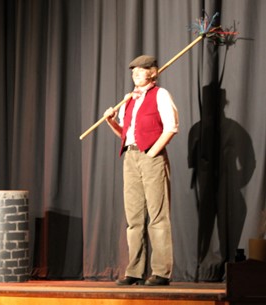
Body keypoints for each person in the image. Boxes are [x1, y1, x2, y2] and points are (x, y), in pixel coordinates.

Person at [104, 55, 179, 286]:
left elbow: (171, 127)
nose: (135, 73)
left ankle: (161, 272)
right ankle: (134, 271)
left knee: (157, 216)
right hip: (130, 157)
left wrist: (152, 152)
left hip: (151, 158)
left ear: (152, 72)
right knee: (134, 218)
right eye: (133, 70)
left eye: (140, 69)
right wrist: (111, 121)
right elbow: (125, 135)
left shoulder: (161, 95)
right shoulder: (129, 101)